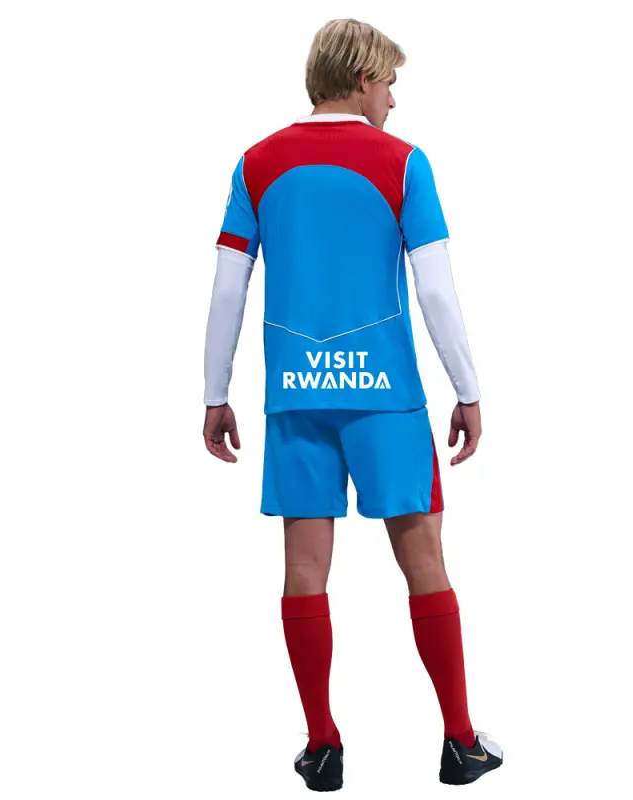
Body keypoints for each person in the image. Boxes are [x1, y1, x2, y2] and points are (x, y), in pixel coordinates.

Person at [203, 18, 503, 791]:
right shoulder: (404, 163)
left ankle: (322, 746)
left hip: (295, 395)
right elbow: (436, 290)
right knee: (425, 562)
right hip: (386, 398)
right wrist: (468, 388)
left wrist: (215, 393)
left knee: (304, 573)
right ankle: (460, 742)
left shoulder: (256, 163)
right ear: (363, 77)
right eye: (390, 83)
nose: (394, 101)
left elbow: (228, 289)